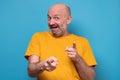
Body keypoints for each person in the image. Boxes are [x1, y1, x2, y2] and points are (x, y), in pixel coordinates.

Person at [24, 3, 97, 80]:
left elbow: (90, 78)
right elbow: (31, 72)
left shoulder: (83, 42)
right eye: (49, 18)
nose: (51, 23)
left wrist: (77, 59)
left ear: (68, 20)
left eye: (56, 18)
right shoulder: (38, 37)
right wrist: (43, 65)